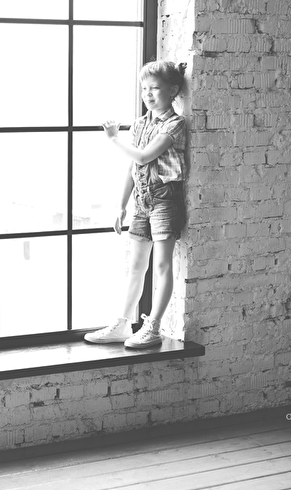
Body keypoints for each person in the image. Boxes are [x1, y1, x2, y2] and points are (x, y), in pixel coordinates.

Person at [84, 60, 187, 349]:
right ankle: (122, 324)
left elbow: (144, 157)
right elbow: (133, 167)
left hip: (165, 200)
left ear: (173, 91)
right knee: (136, 266)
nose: (148, 94)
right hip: (142, 200)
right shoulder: (141, 124)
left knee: (162, 265)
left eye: (155, 88)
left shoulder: (175, 123)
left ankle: (152, 327)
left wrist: (113, 139)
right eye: (144, 89)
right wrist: (121, 206)